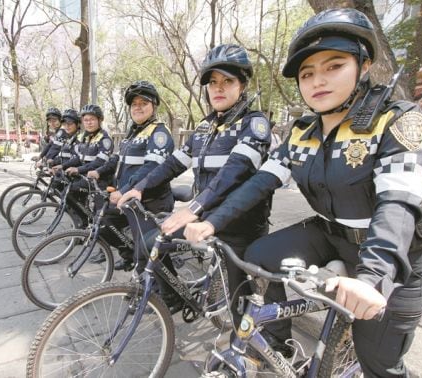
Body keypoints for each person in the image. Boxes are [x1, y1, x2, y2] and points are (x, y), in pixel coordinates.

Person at [184, 8, 422, 375]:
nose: (318, 80)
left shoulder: (398, 121)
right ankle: (277, 338)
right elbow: (259, 183)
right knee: (258, 254)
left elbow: (397, 205)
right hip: (330, 235)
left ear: (364, 66)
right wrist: (211, 221)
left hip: (395, 257)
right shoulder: (301, 133)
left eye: (334, 66)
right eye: (307, 73)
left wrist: (372, 280)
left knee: (380, 364)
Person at [118, 44, 273, 315]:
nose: (218, 88)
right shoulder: (205, 127)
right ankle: (174, 297)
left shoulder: (254, 124)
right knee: (148, 242)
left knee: (240, 304)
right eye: (213, 82)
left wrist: (193, 209)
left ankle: (248, 347)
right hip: (205, 215)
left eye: (227, 81)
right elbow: (173, 163)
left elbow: (233, 172)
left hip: (240, 223)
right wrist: (140, 188)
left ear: (243, 84)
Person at [87, 81, 175, 269]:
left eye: (143, 103)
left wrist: (125, 190)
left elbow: (151, 167)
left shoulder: (159, 132)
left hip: (151, 200)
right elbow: (115, 160)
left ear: (154, 105)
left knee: (150, 253)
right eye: (134, 104)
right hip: (128, 198)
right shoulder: (133, 134)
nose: (138, 107)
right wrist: (97, 171)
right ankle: (128, 253)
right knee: (103, 221)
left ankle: (163, 293)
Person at [62, 104, 114, 190]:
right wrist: (63, 166)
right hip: (85, 175)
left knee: (69, 191)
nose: (89, 123)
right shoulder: (85, 138)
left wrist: (78, 169)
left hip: (99, 179)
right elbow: (79, 158)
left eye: (92, 119)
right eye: (86, 120)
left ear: (99, 120)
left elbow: (99, 162)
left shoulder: (105, 138)